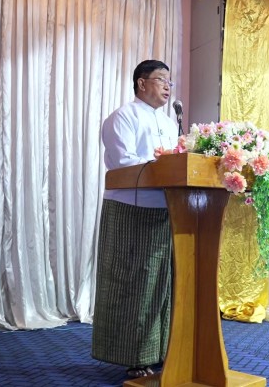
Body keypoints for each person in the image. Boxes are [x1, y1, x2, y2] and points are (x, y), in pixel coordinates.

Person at [92, 60, 180, 379]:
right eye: (161, 80)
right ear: (142, 83)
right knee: (134, 284)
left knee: (161, 284)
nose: (168, 86)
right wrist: (164, 165)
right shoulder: (122, 117)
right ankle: (133, 355)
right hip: (131, 209)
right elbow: (124, 163)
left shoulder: (169, 122)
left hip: (165, 209)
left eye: (170, 81)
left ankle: (159, 350)